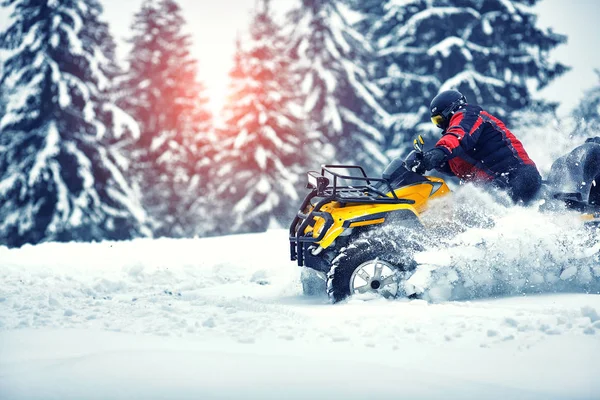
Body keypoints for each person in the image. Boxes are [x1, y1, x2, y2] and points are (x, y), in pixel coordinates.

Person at [408, 89, 542, 204]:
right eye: (435, 121)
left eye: (440, 119)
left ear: (451, 110)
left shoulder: (469, 114)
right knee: (465, 210)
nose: (439, 125)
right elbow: (454, 166)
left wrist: (438, 152)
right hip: (499, 183)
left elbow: (460, 134)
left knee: (475, 210)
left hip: (517, 174)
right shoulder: (458, 143)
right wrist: (429, 162)